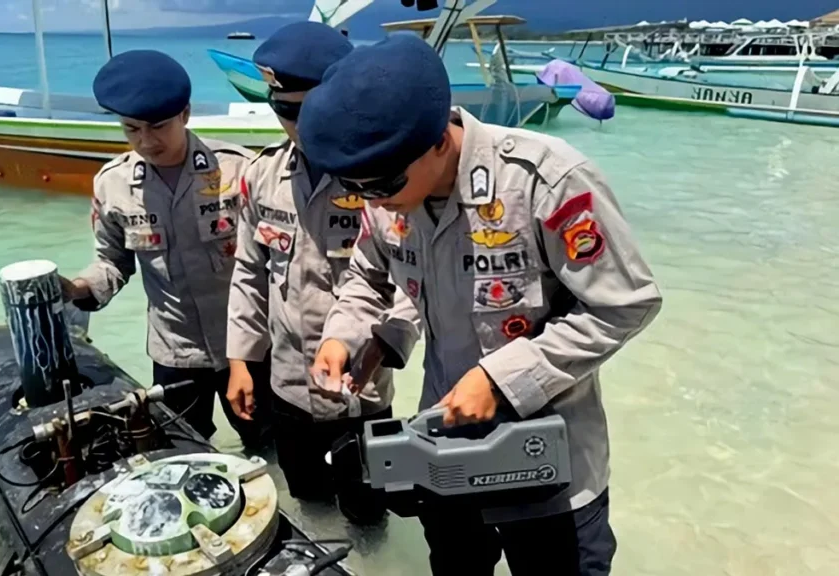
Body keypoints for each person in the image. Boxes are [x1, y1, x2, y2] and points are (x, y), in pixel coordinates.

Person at [301, 35, 663, 575]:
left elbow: (624, 305)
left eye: (383, 184)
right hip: (442, 450)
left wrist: (501, 379)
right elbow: (369, 276)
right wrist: (348, 334)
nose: (373, 201)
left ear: (440, 140)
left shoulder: (544, 181)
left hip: (549, 466)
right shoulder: (386, 192)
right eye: (355, 188)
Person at [225, 22, 419, 523]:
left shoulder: (378, 176)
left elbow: (409, 277)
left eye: (303, 108)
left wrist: (386, 344)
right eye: (280, 109)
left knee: (369, 512)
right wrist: (242, 361)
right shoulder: (261, 176)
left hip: (363, 388)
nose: (293, 123)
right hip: (288, 383)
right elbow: (249, 271)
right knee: (307, 501)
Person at [62, 50, 272, 450]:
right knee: (184, 452)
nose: (146, 140)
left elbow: (272, 262)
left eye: (157, 127)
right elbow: (112, 262)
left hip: (247, 348)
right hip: (175, 353)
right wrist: (77, 288)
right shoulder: (113, 184)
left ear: (186, 114)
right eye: (131, 129)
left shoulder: (238, 169)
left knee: (268, 447)